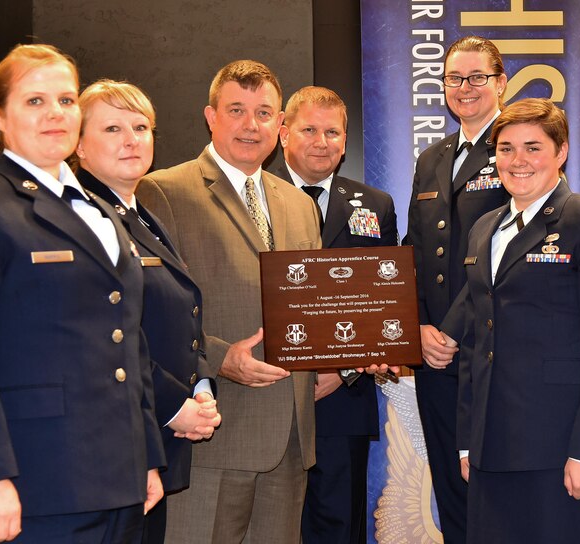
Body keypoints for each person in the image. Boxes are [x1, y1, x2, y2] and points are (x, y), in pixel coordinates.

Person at [0, 44, 165, 543]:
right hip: (27, 486)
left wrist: (148, 457)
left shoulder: (101, 210)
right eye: (34, 101)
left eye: (66, 100)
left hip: (117, 485)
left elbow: (127, 342)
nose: (55, 114)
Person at [135, 60, 322, 544]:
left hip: (292, 437)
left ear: (279, 125)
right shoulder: (164, 192)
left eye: (263, 113)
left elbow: (316, 304)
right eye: (236, 110)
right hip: (215, 430)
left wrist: (354, 344)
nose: (250, 124)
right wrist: (220, 358)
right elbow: (151, 313)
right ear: (210, 116)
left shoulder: (299, 204)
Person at [453, 98, 580, 542]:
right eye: (506, 148)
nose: (517, 161)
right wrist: (466, 439)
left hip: (561, 448)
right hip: (490, 448)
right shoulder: (483, 229)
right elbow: (478, 341)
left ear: (562, 152)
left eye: (533, 148)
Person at [74, 79, 222, 544]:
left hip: (152, 437)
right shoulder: (83, 219)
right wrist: (173, 404)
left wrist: (199, 385)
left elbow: (180, 313)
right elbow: (102, 335)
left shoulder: (139, 215)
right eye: (113, 128)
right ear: (78, 144)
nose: (131, 139)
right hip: (111, 444)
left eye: (141, 126)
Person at [276, 86, 398, 543]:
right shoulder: (252, 197)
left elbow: (386, 303)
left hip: (342, 398)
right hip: (268, 397)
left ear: (346, 141)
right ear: (284, 133)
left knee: (338, 526)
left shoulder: (376, 205)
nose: (321, 141)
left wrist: (342, 368)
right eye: (309, 129)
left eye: (333, 131)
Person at [403, 35, 510, 542]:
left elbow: (504, 254)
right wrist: (416, 327)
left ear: (501, 83)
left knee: (493, 487)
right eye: (453, 78)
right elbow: (416, 250)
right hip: (433, 354)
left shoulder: (514, 148)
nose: (464, 88)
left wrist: (447, 330)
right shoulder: (432, 158)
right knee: (450, 482)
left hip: (491, 348)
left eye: (476, 77)